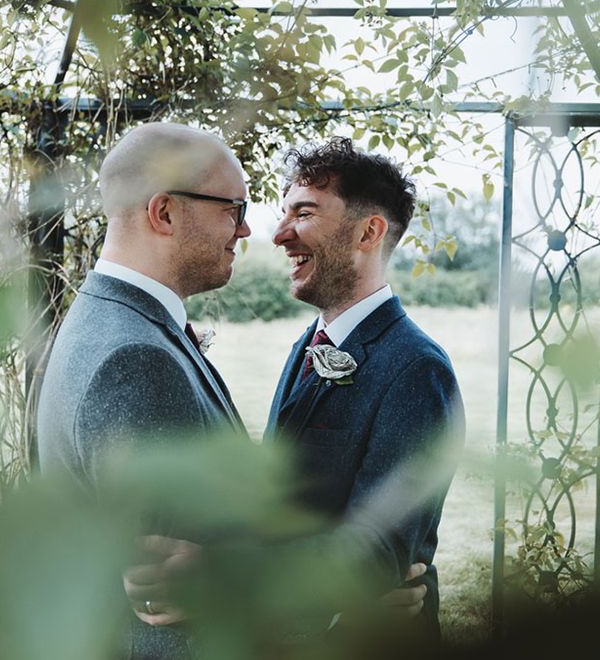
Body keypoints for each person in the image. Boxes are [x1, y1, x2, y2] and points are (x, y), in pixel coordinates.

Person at [37, 122, 250, 659]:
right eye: (234, 209)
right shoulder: (136, 359)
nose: (245, 231)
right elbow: (170, 603)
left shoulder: (108, 316)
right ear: (164, 213)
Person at [264, 136, 465, 635]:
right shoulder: (308, 344)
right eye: (283, 213)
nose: (279, 234)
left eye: (303, 213)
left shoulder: (417, 369)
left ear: (367, 232)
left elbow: (378, 554)